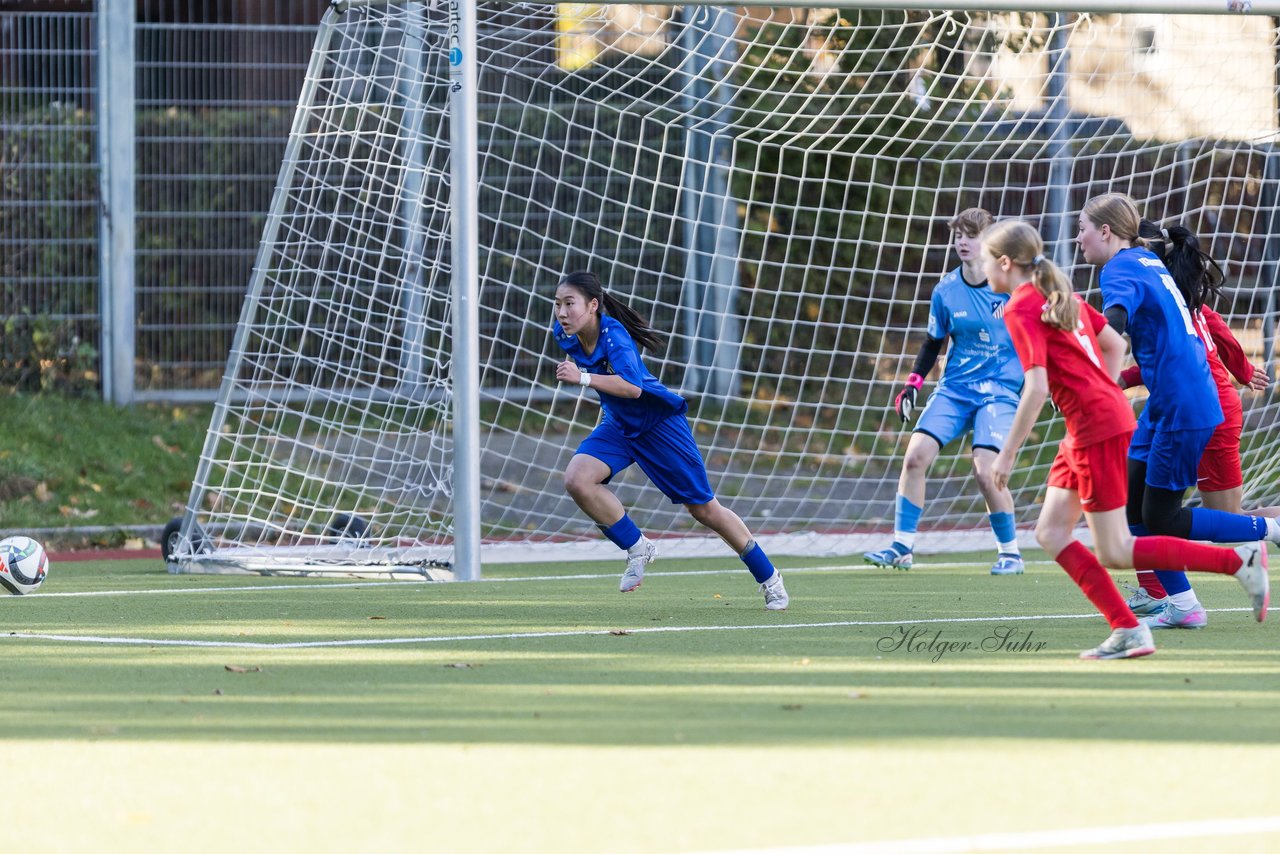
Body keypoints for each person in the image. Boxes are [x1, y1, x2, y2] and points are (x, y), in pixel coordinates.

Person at [981, 219, 1268, 659]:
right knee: (1052, 532)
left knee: (1119, 547)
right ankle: (1134, 627)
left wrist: (1006, 455)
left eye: (986, 259)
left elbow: (1036, 389)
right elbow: (1113, 344)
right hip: (1093, 421)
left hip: (1098, 425)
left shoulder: (1025, 305)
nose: (983, 268)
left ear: (1004, 263)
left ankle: (1232, 564)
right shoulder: (1060, 294)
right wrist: (1098, 387)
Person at [1077, 193, 1280, 630]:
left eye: (1082, 229)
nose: (1078, 239)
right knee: (1134, 506)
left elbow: (1112, 326)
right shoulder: (1146, 262)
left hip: (1184, 403)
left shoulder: (1120, 267)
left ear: (1106, 231)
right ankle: (1183, 604)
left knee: (1162, 516)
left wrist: (1084, 366)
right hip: (1170, 402)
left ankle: (1267, 535)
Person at [551, 270, 789, 610]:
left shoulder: (615, 336)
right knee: (578, 479)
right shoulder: (565, 334)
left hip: (659, 426)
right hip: (619, 425)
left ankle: (771, 579)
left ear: (593, 305)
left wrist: (584, 377)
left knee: (703, 509)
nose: (561, 312)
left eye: (569, 304)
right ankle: (637, 547)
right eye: (557, 304)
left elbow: (633, 389)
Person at [864, 208, 1027, 576]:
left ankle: (1011, 553)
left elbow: (1039, 335)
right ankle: (902, 547)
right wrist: (912, 384)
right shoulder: (946, 290)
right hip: (955, 389)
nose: (963, 242)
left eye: (972, 235)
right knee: (915, 456)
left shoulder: (1013, 289)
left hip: (999, 392)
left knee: (986, 472)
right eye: (958, 235)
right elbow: (933, 342)